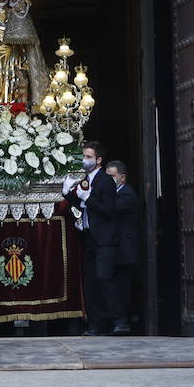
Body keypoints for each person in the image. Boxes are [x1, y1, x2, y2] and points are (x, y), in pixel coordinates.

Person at [63, 141, 117, 335]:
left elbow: (108, 210)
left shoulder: (105, 181)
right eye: (84, 156)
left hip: (104, 239)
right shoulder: (87, 180)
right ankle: (95, 324)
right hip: (90, 237)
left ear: (98, 160)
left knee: (103, 278)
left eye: (88, 157)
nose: (85, 160)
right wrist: (68, 194)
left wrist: (87, 198)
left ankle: (116, 320)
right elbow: (83, 205)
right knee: (91, 282)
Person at [103, 159, 140, 334]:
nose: (108, 179)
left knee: (123, 287)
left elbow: (111, 209)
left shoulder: (126, 194)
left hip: (124, 250)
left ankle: (123, 321)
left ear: (122, 178)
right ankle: (116, 320)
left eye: (112, 176)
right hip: (116, 249)